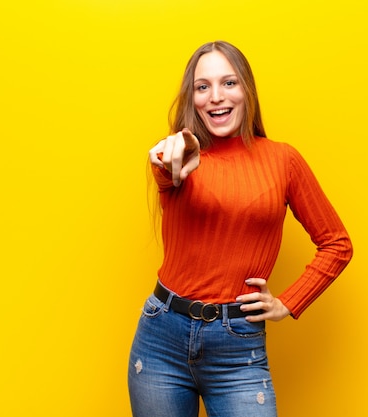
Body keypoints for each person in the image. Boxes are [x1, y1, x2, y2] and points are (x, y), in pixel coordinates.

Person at [128, 40, 353, 417]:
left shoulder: (283, 161)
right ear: (192, 97)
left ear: (247, 89)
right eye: (203, 87)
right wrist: (168, 159)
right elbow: (168, 168)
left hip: (237, 349)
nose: (216, 97)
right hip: (160, 339)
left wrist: (287, 302)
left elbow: (336, 243)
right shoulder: (183, 154)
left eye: (228, 83)